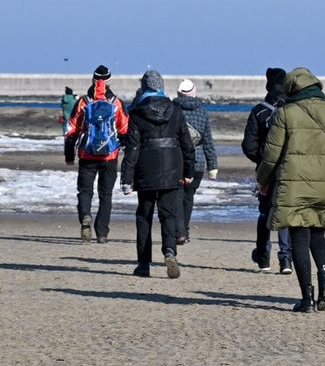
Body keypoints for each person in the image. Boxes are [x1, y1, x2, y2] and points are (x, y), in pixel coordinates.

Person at [256, 67, 325, 313]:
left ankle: (307, 298)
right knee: (318, 234)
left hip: (295, 181)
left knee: (299, 236)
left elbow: (271, 154)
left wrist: (263, 180)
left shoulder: (285, 113)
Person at [120, 69, 194, 279]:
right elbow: (187, 144)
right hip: (172, 167)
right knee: (168, 214)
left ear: (144, 87)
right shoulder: (176, 110)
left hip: (145, 169)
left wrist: (126, 178)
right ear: (161, 87)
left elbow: (132, 147)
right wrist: (188, 171)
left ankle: (143, 264)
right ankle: (170, 251)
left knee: (144, 216)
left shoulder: (136, 112)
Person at [65, 66, 129, 243]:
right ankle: (102, 233)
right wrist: (126, 151)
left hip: (87, 154)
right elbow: (124, 130)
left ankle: (85, 217)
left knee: (85, 191)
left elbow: (71, 130)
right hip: (109, 155)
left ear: (93, 79)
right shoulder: (116, 103)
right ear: (108, 81)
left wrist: (69, 156)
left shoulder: (83, 102)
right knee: (105, 194)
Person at [242, 68, 294, 274]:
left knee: (265, 213)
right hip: (290, 168)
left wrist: (261, 160)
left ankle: (264, 258)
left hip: (266, 168)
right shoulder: (292, 110)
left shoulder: (259, 111)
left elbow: (248, 145)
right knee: (285, 212)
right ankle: (286, 259)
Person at [173, 78, 218, 244]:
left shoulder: (173, 109)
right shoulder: (202, 112)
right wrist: (212, 165)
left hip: (176, 159)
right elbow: (208, 141)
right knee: (188, 197)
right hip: (197, 161)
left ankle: (180, 232)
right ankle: (185, 230)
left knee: (177, 196)